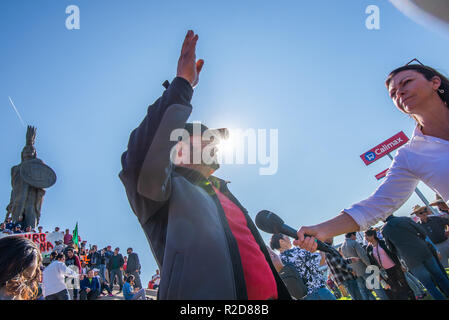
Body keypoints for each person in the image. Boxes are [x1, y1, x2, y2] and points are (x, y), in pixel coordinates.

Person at [119, 30, 291, 300]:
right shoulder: (162, 193)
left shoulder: (222, 192)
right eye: (205, 137)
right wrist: (181, 85)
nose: (214, 143)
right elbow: (138, 158)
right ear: (176, 148)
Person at [295, 62, 449, 251]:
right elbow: (377, 205)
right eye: (393, 94)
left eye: (406, 82)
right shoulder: (409, 155)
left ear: (435, 82)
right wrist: (321, 230)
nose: (399, 93)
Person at [381, 214, 449, 300]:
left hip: (410, 259)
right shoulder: (405, 219)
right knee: (439, 276)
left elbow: (390, 248)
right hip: (424, 251)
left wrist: (400, 249)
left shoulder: (384, 230)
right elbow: (423, 233)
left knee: (428, 284)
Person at [269, 234, 335, 300]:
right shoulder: (296, 252)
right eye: (287, 237)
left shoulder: (278, 262)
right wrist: (318, 241)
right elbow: (321, 260)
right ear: (281, 241)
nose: (289, 239)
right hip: (319, 293)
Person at [365, 228, 415, 300]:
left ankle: (412, 297)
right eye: (365, 236)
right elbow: (372, 263)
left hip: (395, 267)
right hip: (385, 271)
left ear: (372, 235)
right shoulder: (369, 248)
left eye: (367, 236)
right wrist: (377, 275)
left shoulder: (382, 243)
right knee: (395, 288)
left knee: (404, 284)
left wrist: (401, 265)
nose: (365, 238)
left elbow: (394, 254)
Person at [341, 232, 389, 300]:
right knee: (376, 288)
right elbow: (363, 256)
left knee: (364, 291)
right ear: (352, 235)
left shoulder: (342, 247)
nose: (356, 237)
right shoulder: (354, 243)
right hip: (364, 269)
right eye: (355, 236)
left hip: (355, 272)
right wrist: (370, 266)